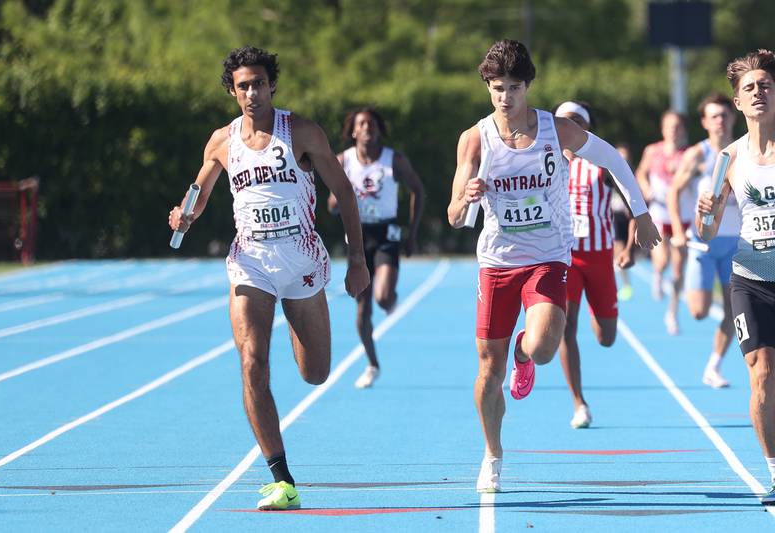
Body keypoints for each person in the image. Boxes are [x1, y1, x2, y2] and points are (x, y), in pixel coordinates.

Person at [447, 39, 660, 493]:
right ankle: (492, 455)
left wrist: (640, 212)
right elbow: (454, 215)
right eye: (498, 88)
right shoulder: (474, 138)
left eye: (515, 87)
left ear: (529, 87)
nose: (506, 97)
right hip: (497, 262)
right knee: (489, 368)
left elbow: (613, 161)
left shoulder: (555, 130)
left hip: (546, 257)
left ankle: (524, 353)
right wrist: (466, 200)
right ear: (488, 88)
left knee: (544, 347)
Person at [168, 46, 369, 511]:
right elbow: (199, 190)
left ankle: (285, 462)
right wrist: (185, 216)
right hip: (250, 262)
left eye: (259, 83)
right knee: (252, 362)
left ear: (271, 85)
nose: (252, 92)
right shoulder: (221, 140)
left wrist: (357, 258)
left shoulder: (300, 131)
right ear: (232, 91)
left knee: (314, 373)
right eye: (243, 86)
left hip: (300, 261)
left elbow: (344, 191)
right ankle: (282, 479)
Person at [697, 49, 775, 505]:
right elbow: (706, 230)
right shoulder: (729, 157)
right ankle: (773, 471)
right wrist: (706, 214)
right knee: (761, 373)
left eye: (765, 84)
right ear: (737, 103)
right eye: (749, 88)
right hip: (750, 277)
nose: (758, 92)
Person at [328, 107, 425, 389]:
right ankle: (372, 364)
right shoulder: (342, 161)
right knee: (362, 309)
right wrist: (337, 203)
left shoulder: (393, 159)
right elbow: (332, 205)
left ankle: (390, 301)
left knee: (382, 297)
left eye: (372, 124)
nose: (367, 128)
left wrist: (413, 233)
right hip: (358, 237)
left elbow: (418, 189)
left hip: (387, 232)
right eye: (362, 124)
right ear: (353, 131)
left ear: (379, 129)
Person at [553, 101, 636, 429]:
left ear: (585, 128)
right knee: (565, 328)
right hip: (565, 257)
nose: (568, 127)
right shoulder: (547, 162)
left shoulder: (601, 165)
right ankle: (579, 403)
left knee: (606, 338)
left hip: (600, 258)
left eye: (575, 121)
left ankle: (594, 307)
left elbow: (633, 204)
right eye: (563, 121)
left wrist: (628, 247)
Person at [668, 93, 739, 389]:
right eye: (714, 116)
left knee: (734, 311)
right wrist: (676, 228)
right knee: (698, 311)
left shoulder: (744, 152)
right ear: (705, 122)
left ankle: (714, 365)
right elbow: (674, 192)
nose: (720, 121)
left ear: (733, 117)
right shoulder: (698, 154)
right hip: (704, 243)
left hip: (738, 243)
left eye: (724, 115)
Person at [635, 110, 689, 334]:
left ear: (683, 130)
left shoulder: (689, 154)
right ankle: (658, 273)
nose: (673, 131)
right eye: (669, 127)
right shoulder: (652, 151)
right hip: (658, 212)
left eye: (677, 127)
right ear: (663, 129)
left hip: (681, 216)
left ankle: (672, 313)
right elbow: (640, 172)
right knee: (662, 260)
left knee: (678, 270)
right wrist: (646, 188)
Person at [613, 143, 636, 301]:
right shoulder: (607, 172)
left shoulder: (631, 176)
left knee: (622, 253)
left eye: (625, 157)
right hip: (612, 216)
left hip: (626, 219)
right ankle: (624, 283)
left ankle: (625, 283)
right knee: (617, 253)